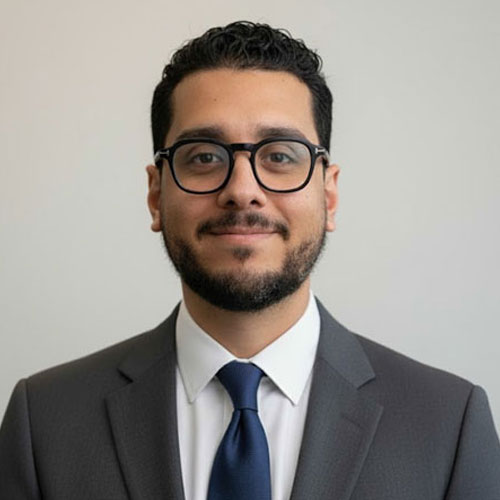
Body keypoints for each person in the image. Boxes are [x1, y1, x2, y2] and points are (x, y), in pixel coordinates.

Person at [0, 21, 499, 500]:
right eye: (204, 156)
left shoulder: (449, 425)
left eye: (279, 156)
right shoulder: (43, 422)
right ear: (155, 194)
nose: (242, 190)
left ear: (329, 195)